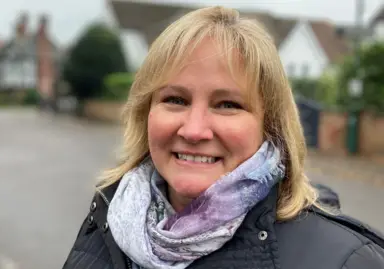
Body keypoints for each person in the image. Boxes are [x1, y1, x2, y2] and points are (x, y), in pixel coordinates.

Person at [62, 6, 384, 269]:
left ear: (270, 128)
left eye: (227, 104)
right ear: (145, 113)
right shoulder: (106, 224)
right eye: (175, 100)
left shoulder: (346, 261)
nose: (194, 130)